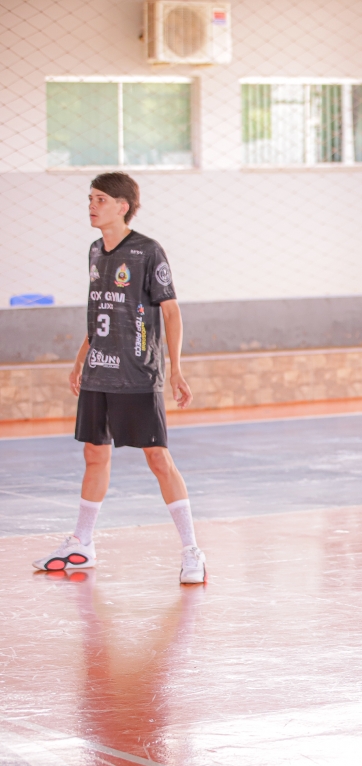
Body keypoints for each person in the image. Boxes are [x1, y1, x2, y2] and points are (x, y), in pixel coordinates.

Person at [34, 173, 206, 584]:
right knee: (94, 454)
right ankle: (83, 542)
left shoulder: (148, 251)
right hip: (99, 371)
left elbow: (171, 312)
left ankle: (191, 550)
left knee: (157, 457)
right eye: (90, 199)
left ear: (122, 206)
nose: (92, 206)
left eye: (100, 199)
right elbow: (99, 313)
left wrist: (175, 368)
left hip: (137, 373)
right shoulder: (95, 251)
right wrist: (80, 360)